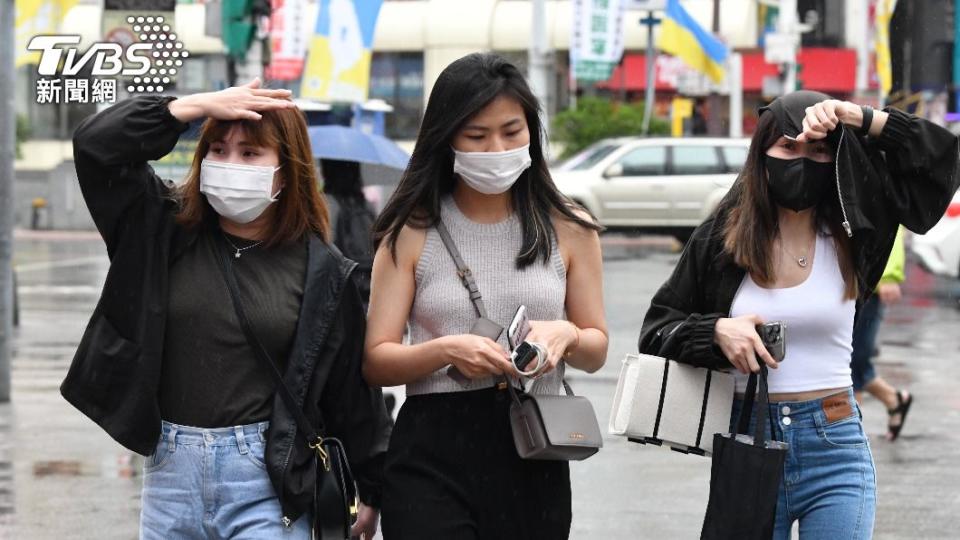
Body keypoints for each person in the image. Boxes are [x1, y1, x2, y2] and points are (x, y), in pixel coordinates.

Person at [61, 79, 391, 539]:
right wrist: (187, 107)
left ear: (286, 169)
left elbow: (350, 391)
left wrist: (371, 488)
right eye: (217, 149)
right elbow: (96, 145)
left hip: (269, 481)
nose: (230, 163)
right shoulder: (162, 226)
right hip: (169, 475)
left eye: (250, 154)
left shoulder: (324, 272)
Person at [639, 90, 959, 539]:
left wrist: (861, 118)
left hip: (836, 441)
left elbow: (941, 160)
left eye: (818, 150)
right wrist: (715, 332)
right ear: (762, 154)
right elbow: (656, 328)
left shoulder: (857, 226)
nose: (802, 160)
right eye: (788, 147)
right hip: (748, 440)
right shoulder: (723, 238)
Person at [362, 53, 609, 539]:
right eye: (477, 135)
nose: (496, 148)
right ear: (447, 137)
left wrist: (568, 335)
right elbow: (376, 360)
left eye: (512, 131)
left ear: (532, 134)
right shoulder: (411, 230)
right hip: (431, 449)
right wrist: (443, 350)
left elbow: (597, 349)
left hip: (533, 444)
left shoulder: (571, 228)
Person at [850, 227, 913, 440]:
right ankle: (894, 400)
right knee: (851, 359)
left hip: (869, 284)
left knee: (853, 360)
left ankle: (851, 432)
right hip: (851, 280)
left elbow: (892, 227)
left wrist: (888, 276)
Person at [321, 158, 376, 310]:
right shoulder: (366, 205)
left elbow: (324, 245)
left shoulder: (327, 202)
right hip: (368, 281)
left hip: (340, 284)